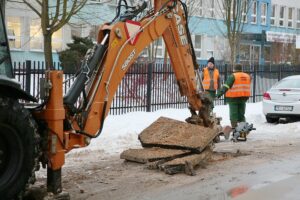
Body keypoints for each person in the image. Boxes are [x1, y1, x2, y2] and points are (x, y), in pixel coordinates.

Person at [216, 63, 251, 129]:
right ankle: (243, 128)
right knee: (241, 114)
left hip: (233, 98)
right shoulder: (247, 76)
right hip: (244, 97)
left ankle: (235, 128)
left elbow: (226, 86)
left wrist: (218, 95)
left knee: (233, 114)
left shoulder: (233, 76)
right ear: (241, 69)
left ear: (234, 69)